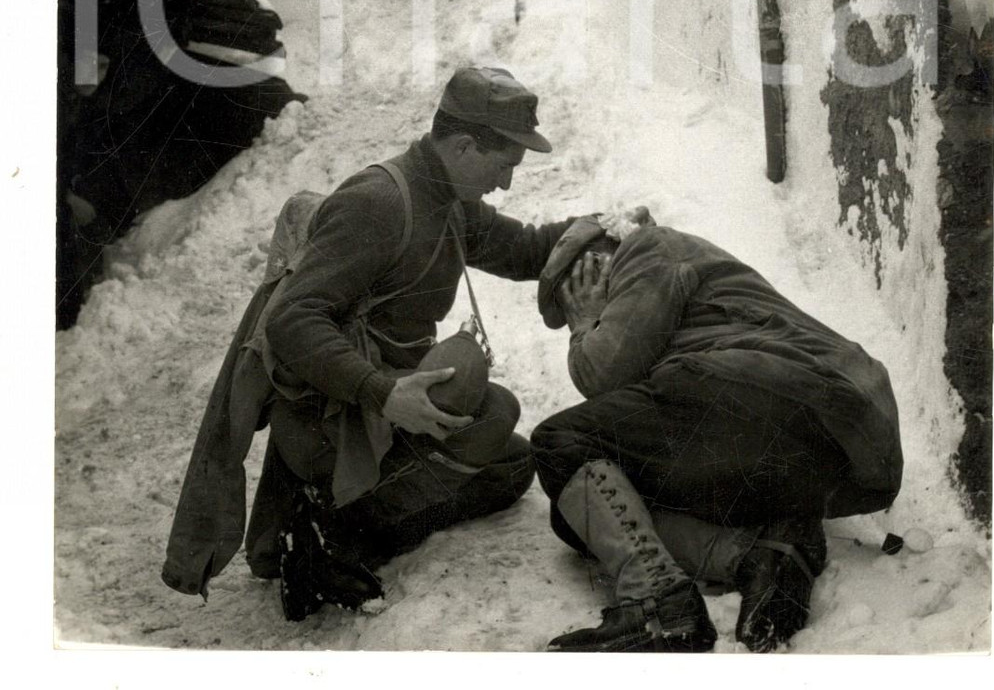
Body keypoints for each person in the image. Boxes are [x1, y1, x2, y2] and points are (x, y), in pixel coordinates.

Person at [162, 66, 597, 621]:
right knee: (499, 414)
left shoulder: (448, 200)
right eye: (504, 166)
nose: (506, 183)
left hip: (371, 414)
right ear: (464, 146)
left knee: (511, 466)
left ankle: (340, 537)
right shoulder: (381, 203)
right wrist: (385, 393)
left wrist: (605, 230)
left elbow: (525, 250)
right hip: (328, 420)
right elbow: (292, 321)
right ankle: (329, 527)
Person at [530, 217, 904, 654]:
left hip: (774, 393)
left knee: (560, 442)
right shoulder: (678, 279)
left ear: (595, 262)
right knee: (580, 516)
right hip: (835, 448)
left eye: (579, 292)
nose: (590, 310)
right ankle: (763, 555)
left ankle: (659, 606)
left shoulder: (646, 246)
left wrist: (585, 325)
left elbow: (603, 372)